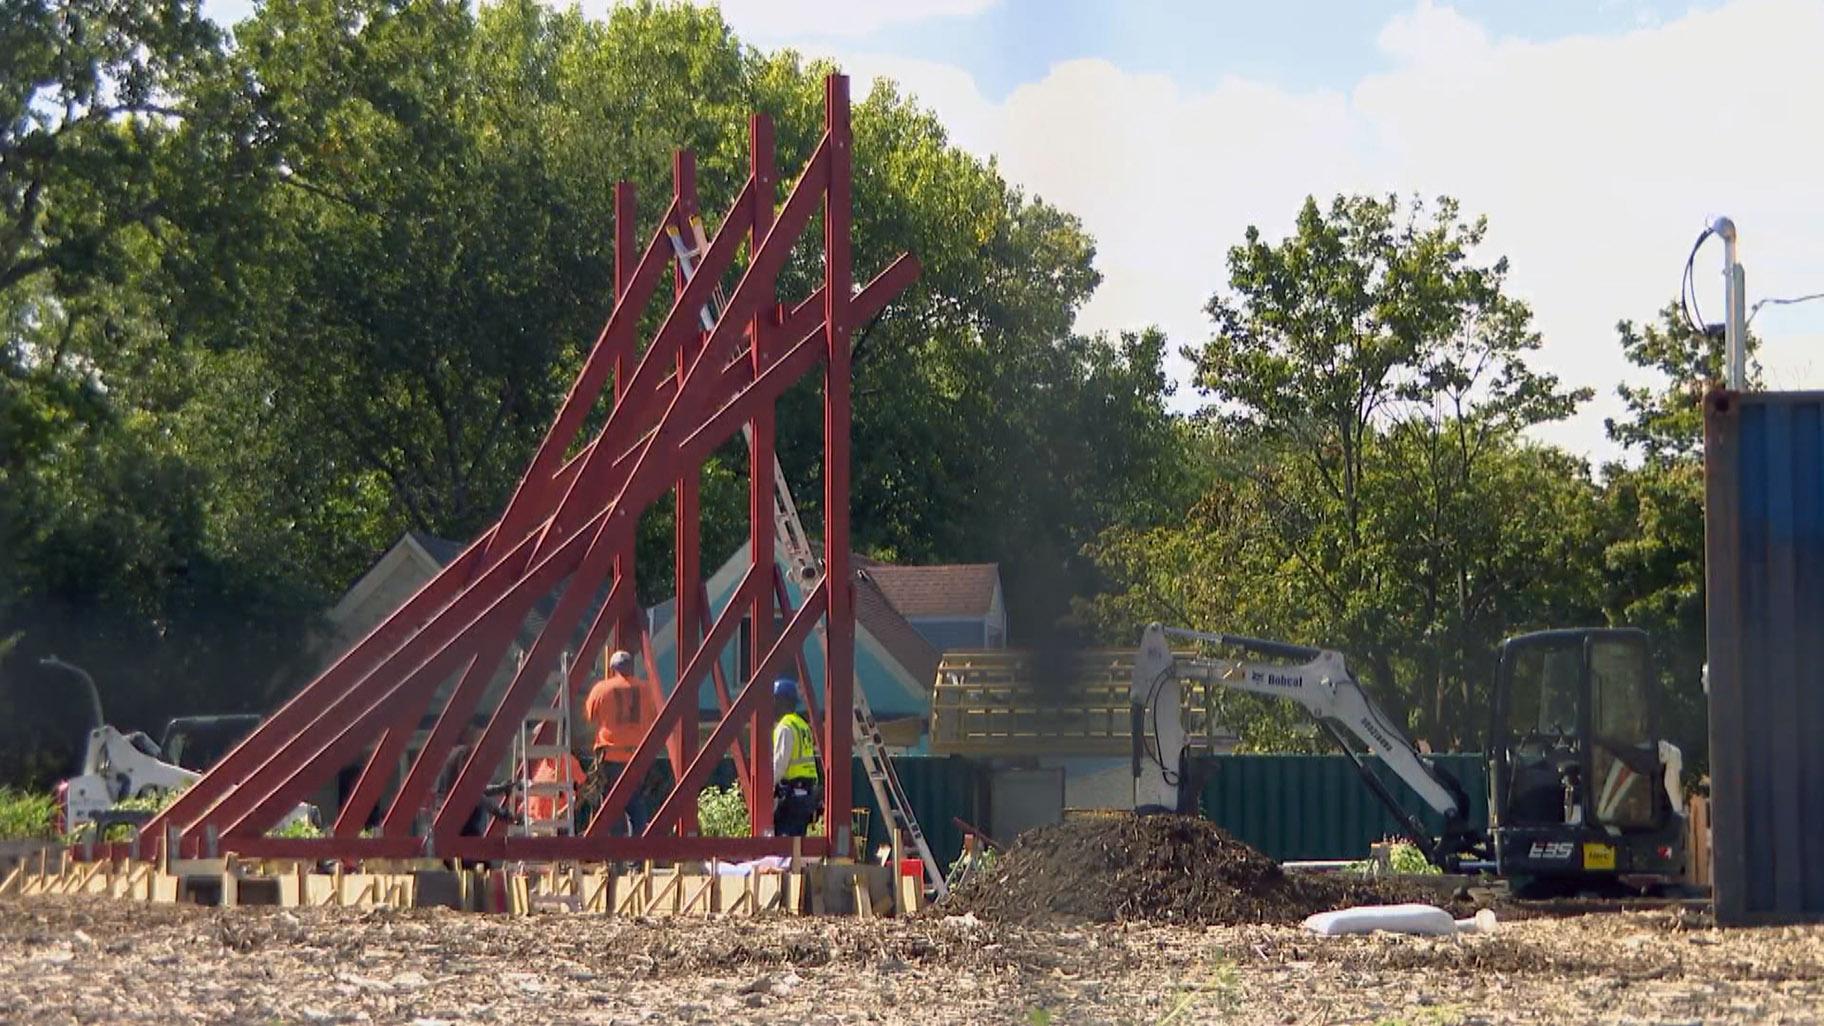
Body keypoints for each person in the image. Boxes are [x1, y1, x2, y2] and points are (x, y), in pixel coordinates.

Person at [584, 649, 655, 833]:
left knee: (611, 806)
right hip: (638, 756)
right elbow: (655, 716)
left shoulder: (601, 689)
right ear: (632, 667)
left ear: (612, 668)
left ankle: (615, 856)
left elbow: (590, 716)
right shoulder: (647, 689)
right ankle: (637, 855)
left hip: (611, 756)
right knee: (636, 805)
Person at [770, 677, 822, 836]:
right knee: (797, 845)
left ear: (782, 700)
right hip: (805, 796)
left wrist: (766, 788)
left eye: (774, 700)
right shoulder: (801, 725)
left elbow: (779, 765)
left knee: (785, 848)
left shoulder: (785, 727)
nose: (771, 705)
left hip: (792, 797)